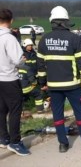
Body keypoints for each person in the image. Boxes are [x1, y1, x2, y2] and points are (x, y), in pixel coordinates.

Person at [37, 6, 81, 153]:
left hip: (53, 86)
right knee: (80, 113)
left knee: (57, 114)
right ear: (66, 21)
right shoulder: (74, 38)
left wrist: (42, 83)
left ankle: (63, 144)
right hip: (72, 85)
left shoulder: (44, 40)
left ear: (52, 21)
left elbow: (40, 66)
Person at [0, 9, 31, 156]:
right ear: (11, 20)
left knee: (1, 109)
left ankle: (3, 138)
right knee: (15, 110)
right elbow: (18, 60)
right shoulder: (9, 38)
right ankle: (15, 141)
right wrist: (23, 60)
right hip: (9, 78)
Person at [21, 38, 44, 113]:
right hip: (26, 77)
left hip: (34, 76)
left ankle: (35, 108)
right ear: (25, 46)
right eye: (29, 45)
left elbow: (38, 64)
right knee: (28, 95)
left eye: (31, 45)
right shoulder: (22, 55)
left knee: (37, 90)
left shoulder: (34, 54)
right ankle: (27, 108)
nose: (30, 47)